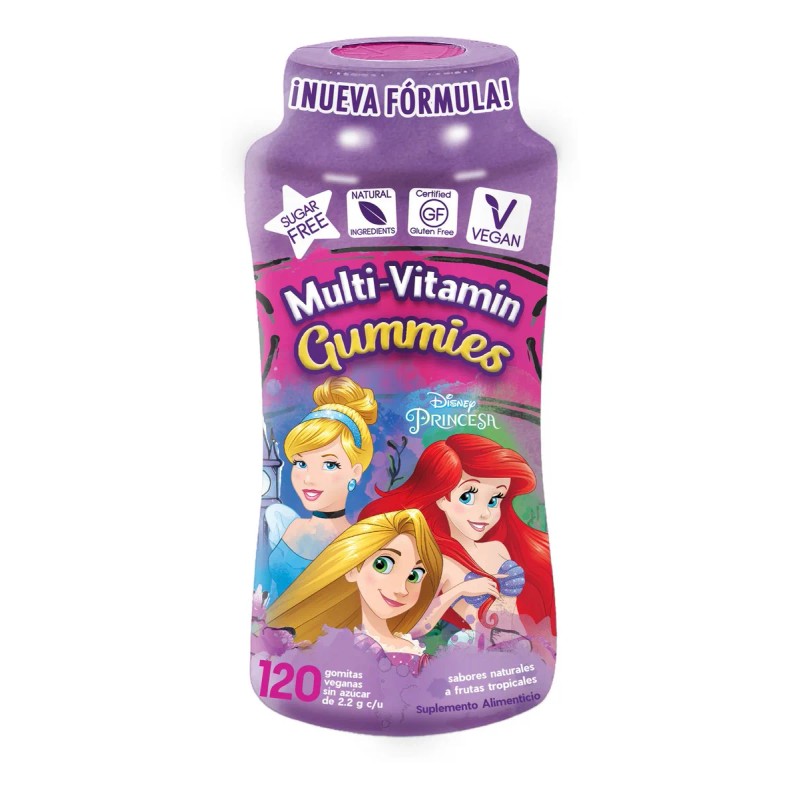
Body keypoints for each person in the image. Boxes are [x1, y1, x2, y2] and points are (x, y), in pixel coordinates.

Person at [359, 434, 555, 640]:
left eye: (494, 500)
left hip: (525, 646)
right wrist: (459, 591)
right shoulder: (439, 564)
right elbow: (411, 628)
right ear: (442, 499)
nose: (484, 513)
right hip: (487, 651)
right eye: (467, 497)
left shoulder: (498, 548)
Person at [265, 510, 443, 672]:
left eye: (414, 575)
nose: (401, 589)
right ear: (352, 570)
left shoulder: (416, 655)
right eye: (382, 565)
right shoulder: (325, 646)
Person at [265, 376, 377, 603]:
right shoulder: (283, 522)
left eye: (329, 464)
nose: (309, 478)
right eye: (300, 463)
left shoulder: (361, 544)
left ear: (355, 473)